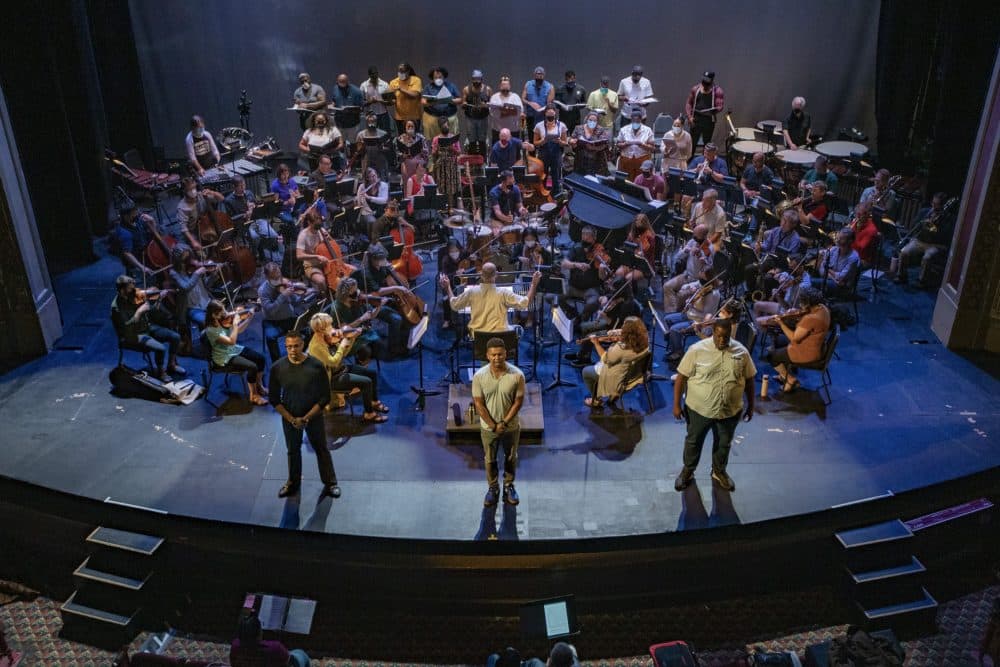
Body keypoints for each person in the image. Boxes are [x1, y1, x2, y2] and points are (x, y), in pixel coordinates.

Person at [673, 319, 755, 492]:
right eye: (718, 336)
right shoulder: (696, 350)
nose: (722, 341)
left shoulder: (741, 352)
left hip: (729, 411)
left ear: (730, 333)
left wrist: (751, 405)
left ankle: (719, 471)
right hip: (699, 410)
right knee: (694, 441)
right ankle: (687, 471)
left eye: (725, 337)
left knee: (724, 443)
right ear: (713, 332)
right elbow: (681, 377)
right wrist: (676, 405)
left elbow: (749, 380)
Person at [269, 330, 339, 499]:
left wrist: (306, 418)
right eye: (289, 347)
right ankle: (293, 483)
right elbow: (273, 398)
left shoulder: (315, 366)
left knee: (321, 449)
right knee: (292, 451)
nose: (292, 350)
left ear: (303, 345)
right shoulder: (277, 367)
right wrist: (292, 419)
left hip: (313, 417)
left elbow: (325, 397)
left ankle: (331, 483)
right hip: (290, 418)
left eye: (296, 346)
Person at [472, 337, 526, 507]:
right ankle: (493, 487)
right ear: (487, 355)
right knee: (490, 459)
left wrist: (504, 422)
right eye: (493, 355)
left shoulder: (517, 375)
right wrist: (494, 425)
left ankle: (509, 486)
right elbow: (479, 404)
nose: (497, 358)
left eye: (500, 354)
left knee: (511, 457)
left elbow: (518, 402)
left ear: (506, 354)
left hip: (510, 427)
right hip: (488, 428)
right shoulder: (479, 376)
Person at [308, 312, 388, 424]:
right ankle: (369, 414)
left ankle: (374, 401)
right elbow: (333, 362)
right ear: (321, 329)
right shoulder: (316, 346)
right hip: (331, 379)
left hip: (341, 369)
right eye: (329, 326)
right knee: (366, 382)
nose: (332, 328)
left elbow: (343, 354)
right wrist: (341, 345)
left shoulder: (328, 337)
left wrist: (351, 339)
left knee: (372, 373)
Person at [110, 274, 184, 382]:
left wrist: (158, 299)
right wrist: (139, 312)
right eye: (130, 289)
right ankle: (160, 372)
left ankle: (171, 364)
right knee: (161, 348)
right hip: (132, 335)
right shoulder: (116, 307)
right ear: (122, 290)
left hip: (146, 328)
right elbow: (127, 328)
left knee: (175, 337)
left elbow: (150, 309)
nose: (134, 291)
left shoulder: (135, 295)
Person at [440, 262, 541, 335]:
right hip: (500, 338)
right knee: (517, 330)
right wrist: (533, 284)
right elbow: (525, 303)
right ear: (496, 275)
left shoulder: (471, 292)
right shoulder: (504, 293)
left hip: (478, 337)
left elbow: (454, 305)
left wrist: (448, 287)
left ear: (481, 275)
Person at [765, 286, 831, 394]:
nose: (800, 305)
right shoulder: (823, 308)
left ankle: (790, 380)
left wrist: (781, 323)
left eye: (802, 303)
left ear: (809, 304)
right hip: (817, 347)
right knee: (778, 341)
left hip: (807, 352)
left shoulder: (811, 319)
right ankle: (783, 374)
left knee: (771, 356)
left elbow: (794, 338)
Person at [568, 277, 641, 368]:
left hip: (618, 331)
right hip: (611, 323)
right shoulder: (619, 296)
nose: (612, 290)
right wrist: (604, 298)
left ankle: (584, 359)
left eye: (614, 289)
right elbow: (610, 295)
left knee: (590, 333)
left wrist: (604, 316)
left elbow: (615, 325)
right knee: (585, 326)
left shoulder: (628, 306)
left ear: (620, 290)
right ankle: (581, 354)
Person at [204, 300, 267, 405]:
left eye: (224, 309)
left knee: (261, 359)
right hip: (223, 357)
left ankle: (259, 385)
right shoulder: (211, 330)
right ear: (214, 315)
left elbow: (239, 331)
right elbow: (231, 341)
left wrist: (249, 319)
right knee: (252, 367)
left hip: (233, 350)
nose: (226, 313)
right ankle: (253, 395)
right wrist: (235, 324)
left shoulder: (224, 321)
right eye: (221, 312)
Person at [350, 243, 409, 356]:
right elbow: (378, 291)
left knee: (402, 310)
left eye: (384, 258)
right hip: (369, 302)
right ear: (373, 259)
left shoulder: (382, 266)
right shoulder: (366, 273)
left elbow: (390, 275)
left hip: (382, 298)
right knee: (396, 318)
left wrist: (391, 269)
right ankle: (394, 348)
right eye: (381, 259)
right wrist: (397, 287)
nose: (384, 261)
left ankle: (401, 337)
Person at [582, 316, 648, 409]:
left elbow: (606, 359)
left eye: (624, 327)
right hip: (634, 377)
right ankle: (613, 397)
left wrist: (596, 343)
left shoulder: (621, 348)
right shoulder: (645, 341)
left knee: (586, 371)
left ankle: (596, 400)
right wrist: (617, 338)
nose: (622, 328)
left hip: (619, 381)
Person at [258, 262, 316, 363]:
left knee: (310, 330)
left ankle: (302, 354)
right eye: (274, 278)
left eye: (278, 276)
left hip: (289, 317)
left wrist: (303, 295)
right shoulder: (263, 290)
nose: (278, 280)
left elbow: (295, 302)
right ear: (267, 277)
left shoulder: (285, 283)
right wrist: (283, 296)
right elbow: (270, 311)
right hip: (273, 321)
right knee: (271, 338)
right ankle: (278, 364)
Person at [664, 266, 722, 363]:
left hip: (697, 320)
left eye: (703, 278)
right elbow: (685, 287)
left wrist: (692, 305)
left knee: (674, 329)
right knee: (668, 319)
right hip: (689, 314)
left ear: (709, 278)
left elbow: (706, 314)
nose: (701, 280)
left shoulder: (712, 294)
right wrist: (689, 289)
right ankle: (674, 343)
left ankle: (678, 352)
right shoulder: (702, 285)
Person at [896, 192, 954, 286]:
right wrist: (923, 223)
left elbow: (945, 236)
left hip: (935, 244)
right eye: (933, 203)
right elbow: (914, 225)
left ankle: (922, 281)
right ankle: (901, 275)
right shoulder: (925, 211)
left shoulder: (948, 218)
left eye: (937, 205)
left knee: (927, 257)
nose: (933, 206)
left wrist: (934, 227)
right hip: (920, 241)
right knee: (904, 252)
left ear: (943, 206)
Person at [744, 208, 803, 294]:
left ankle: (767, 297)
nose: (783, 223)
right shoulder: (776, 230)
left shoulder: (795, 239)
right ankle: (751, 292)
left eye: (787, 222)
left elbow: (791, 260)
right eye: (783, 220)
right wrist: (759, 246)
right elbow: (767, 246)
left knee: (768, 278)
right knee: (749, 269)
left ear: (793, 225)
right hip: (768, 260)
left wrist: (778, 270)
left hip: (782, 266)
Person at [559, 225, 608, 325]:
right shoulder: (576, 247)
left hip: (590, 289)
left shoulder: (599, 251)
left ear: (594, 238)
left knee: (593, 303)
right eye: (583, 234)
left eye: (588, 235)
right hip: (573, 286)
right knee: (557, 296)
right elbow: (564, 263)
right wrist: (576, 264)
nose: (585, 237)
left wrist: (602, 269)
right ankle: (573, 312)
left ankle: (581, 320)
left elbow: (602, 278)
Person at [329, 277, 386, 362]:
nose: (358, 291)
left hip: (363, 330)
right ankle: (361, 363)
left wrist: (379, 306)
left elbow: (372, 316)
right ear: (346, 294)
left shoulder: (358, 299)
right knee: (366, 351)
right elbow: (346, 330)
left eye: (357, 288)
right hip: (351, 337)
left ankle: (366, 360)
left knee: (380, 345)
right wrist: (361, 319)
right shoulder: (337, 308)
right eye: (354, 290)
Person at [168, 246, 214, 344]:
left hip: (206, 302)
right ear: (177, 260)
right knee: (206, 322)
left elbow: (207, 285)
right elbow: (185, 287)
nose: (187, 261)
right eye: (184, 259)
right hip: (192, 308)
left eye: (188, 257)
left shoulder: (194, 267)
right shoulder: (174, 273)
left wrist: (214, 274)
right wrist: (196, 274)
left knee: (222, 318)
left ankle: (212, 344)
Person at [752, 253, 812, 328]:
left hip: (789, 316)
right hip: (784, 307)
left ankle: (761, 333)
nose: (790, 270)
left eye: (793, 268)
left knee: (759, 321)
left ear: (801, 267)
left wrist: (777, 296)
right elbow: (787, 289)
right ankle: (765, 331)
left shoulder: (802, 287)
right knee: (757, 305)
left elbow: (789, 309)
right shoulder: (797, 276)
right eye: (790, 266)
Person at [663, 223, 712, 312]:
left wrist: (703, 261)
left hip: (697, 282)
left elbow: (709, 272)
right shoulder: (692, 242)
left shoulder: (710, 249)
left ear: (704, 237)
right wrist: (686, 250)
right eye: (694, 234)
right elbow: (677, 257)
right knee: (667, 286)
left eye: (696, 236)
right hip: (686, 275)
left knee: (680, 295)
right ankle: (670, 313)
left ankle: (675, 314)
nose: (694, 237)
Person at [108, 203, 155, 281]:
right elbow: (127, 253)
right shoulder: (124, 233)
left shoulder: (137, 221)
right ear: (126, 216)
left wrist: (152, 222)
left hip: (146, 251)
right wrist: (142, 268)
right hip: (137, 259)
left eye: (136, 211)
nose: (137, 214)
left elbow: (154, 233)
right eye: (134, 213)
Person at [175, 178, 224, 250]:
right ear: (184, 191)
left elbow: (222, 198)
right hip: (193, 232)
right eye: (190, 189)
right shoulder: (182, 207)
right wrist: (193, 241)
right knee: (199, 253)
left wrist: (212, 192)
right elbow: (184, 228)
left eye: (194, 188)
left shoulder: (201, 195)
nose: (193, 191)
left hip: (207, 227)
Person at [296, 208, 336, 291]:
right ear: (309, 223)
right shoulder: (303, 235)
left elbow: (334, 245)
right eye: (315, 225)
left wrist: (329, 238)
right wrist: (316, 256)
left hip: (327, 262)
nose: (318, 228)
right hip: (312, 265)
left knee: (351, 271)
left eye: (319, 225)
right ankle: (325, 298)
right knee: (321, 281)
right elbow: (299, 256)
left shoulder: (321, 229)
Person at [533, 104, 568, 194]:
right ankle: (543, 196)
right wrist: (543, 141)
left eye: (552, 114)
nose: (550, 116)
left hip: (556, 154)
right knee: (543, 176)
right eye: (548, 114)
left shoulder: (562, 125)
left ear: (555, 114)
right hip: (543, 153)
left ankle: (556, 197)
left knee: (556, 177)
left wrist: (560, 141)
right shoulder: (539, 125)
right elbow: (535, 143)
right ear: (545, 114)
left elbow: (565, 143)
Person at [684, 71, 725, 150]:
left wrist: (715, 110)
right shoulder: (696, 89)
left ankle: (705, 160)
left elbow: (720, 106)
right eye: (704, 81)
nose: (705, 84)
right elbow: (689, 103)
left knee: (707, 143)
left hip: (708, 120)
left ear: (712, 81)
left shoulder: (717, 91)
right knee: (692, 143)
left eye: (707, 82)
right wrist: (689, 117)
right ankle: (690, 160)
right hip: (696, 119)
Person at [615, 213, 657, 284]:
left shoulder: (649, 236)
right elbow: (626, 247)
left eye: (641, 221)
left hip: (644, 266)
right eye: (637, 220)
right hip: (631, 262)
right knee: (619, 273)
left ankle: (630, 294)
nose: (638, 222)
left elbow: (647, 253)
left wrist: (639, 250)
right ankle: (622, 292)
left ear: (645, 223)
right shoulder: (632, 234)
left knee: (628, 277)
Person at [820, 228, 861, 299]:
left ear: (850, 241)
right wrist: (833, 277)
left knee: (810, 283)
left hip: (843, 288)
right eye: (838, 237)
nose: (837, 240)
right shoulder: (833, 250)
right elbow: (821, 270)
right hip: (833, 282)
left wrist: (828, 269)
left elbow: (841, 277)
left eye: (841, 238)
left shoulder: (854, 257)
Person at [421, 66, 460, 140]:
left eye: (440, 77)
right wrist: (432, 103)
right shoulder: (428, 87)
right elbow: (423, 101)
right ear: (432, 78)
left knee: (450, 140)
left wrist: (450, 101)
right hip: (432, 119)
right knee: (433, 141)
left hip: (449, 119)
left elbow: (460, 100)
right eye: (435, 77)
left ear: (444, 76)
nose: (438, 79)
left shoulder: (451, 86)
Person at [615, 109, 655, 179]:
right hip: (626, 159)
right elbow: (618, 145)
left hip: (642, 159)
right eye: (634, 120)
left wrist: (642, 145)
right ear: (631, 120)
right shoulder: (624, 129)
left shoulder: (648, 130)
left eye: (637, 121)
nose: (635, 122)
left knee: (640, 181)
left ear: (641, 120)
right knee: (626, 181)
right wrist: (626, 144)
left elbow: (652, 147)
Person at [432, 120, 463, 208]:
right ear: (440, 127)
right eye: (443, 125)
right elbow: (433, 154)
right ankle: (441, 208)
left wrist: (452, 148)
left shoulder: (453, 138)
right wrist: (437, 149)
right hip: (441, 166)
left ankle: (451, 208)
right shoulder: (436, 139)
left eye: (447, 125)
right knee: (441, 187)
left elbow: (459, 153)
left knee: (450, 188)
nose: (445, 126)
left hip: (451, 165)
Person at [569, 111, 610, 176]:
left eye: (594, 120)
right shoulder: (578, 128)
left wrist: (594, 148)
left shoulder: (601, 130)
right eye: (590, 120)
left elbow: (604, 144)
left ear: (597, 122)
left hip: (596, 161)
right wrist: (572, 142)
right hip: (580, 159)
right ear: (586, 119)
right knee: (580, 178)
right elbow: (572, 138)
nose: (592, 122)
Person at [461, 69, 492, 150]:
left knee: (482, 140)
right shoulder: (466, 89)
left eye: (478, 79)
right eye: (475, 79)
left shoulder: (487, 89)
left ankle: (483, 160)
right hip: (470, 118)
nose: (476, 81)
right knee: (472, 139)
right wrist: (464, 104)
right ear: (472, 79)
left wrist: (485, 105)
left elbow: (492, 104)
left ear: (481, 79)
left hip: (483, 118)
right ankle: (472, 160)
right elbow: (463, 102)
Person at [355, 166, 390, 238]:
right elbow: (359, 204)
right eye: (370, 177)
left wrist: (369, 198)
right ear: (367, 178)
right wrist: (361, 198)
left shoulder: (383, 185)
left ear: (377, 175)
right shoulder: (362, 187)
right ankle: (372, 243)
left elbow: (384, 200)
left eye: (374, 176)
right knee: (372, 221)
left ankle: (384, 241)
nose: (374, 178)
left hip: (380, 211)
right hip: (367, 212)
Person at [389, 62, 423, 135]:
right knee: (402, 138)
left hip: (414, 117)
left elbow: (415, 95)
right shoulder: (393, 82)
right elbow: (392, 100)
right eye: (399, 71)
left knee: (414, 138)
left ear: (408, 71)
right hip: (400, 117)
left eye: (403, 71)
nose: (401, 73)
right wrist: (390, 101)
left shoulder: (416, 80)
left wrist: (401, 89)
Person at [488, 75, 524, 143]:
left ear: (510, 86)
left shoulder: (515, 97)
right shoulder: (494, 97)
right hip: (498, 130)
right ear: (500, 86)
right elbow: (492, 112)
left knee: (514, 150)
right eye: (503, 87)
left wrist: (504, 112)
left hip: (513, 130)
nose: (505, 90)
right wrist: (508, 112)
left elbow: (520, 111)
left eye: (506, 88)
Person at [355, 112, 390, 179]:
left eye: (373, 121)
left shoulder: (383, 133)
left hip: (380, 161)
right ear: (366, 122)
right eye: (369, 121)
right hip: (367, 161)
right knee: (368, 181)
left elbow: (388, 150)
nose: (371, 123)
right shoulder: (361, 134)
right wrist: (363, 145)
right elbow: (359, 152)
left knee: (381, 181)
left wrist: (381, 147)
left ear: (376, 122)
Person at [329, 73, 364, 137]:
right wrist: (332, 105)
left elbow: (361, 108)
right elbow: (334, 100)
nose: (341, 83)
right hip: (339, 122)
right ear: (337, 81)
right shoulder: (335, 88)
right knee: (341, 142)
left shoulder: (356, 91)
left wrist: (350, 111)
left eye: (343, 82)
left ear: (347, 81)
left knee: (353, 143)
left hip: (352, 123)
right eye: (339, 82)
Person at [359, 65, 392, 134]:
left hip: (383, 114)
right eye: (372, 74)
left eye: (376, 74)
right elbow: (360, 103)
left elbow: (390, 102)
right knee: (371, 135)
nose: (374, 76)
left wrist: (380, 101)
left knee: (385, 135)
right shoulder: (364, 85)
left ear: (378, 73)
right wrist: (370, 102)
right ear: (369, 75)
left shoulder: (384, 84)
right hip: (370, 116)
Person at [395, 119, 429, 183]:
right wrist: (402, 155)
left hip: (419, 163)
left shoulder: (421, 137)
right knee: (408, 184)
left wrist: (422, 151)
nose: (410, 128)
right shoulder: (400, 138)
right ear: (405, 128)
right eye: (408, 126)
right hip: (406, 163)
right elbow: (397, 153)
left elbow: (426, 153)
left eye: (412, 126)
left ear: (415, 127)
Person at [522, 66, 554, 132]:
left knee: (542, 138)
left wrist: (544, 108)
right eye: (537, 74)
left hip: (543, 117)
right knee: (531, 137)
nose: (539, 76)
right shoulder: (528, 84)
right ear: (534, 75)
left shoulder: (550, 86)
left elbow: (549, 104)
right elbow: (522, 99)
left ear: (544, 75)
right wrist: (530, 103)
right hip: (531, 116)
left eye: (541, 74)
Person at [554, 69, 587, 133]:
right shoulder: (560, 89)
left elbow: (584, 103)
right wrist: (562, 107)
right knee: (563, 138)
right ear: (565, 79)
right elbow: (556, 103)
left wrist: (578, 106)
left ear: (575, 78)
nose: (570, 82)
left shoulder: (581, 89)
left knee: (575, 139)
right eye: (568, 81)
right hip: (563, 118)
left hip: (575, 118)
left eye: (572, 80)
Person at [850, 198, 879, 266]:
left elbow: (860, 249)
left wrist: (852, 234)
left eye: (860, 214)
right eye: (856, 214)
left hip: (862, 259)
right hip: (850, 252)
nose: (857, 217)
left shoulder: (871, 230)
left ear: (867, 214)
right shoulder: (856, 221)